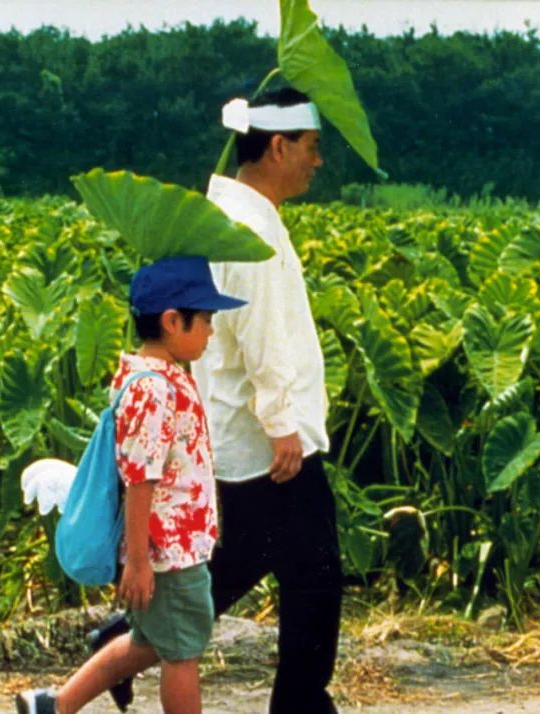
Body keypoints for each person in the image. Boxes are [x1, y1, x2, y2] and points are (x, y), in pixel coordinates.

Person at [16, 256, 246, 714]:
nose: (211, 330)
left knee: (148, 642)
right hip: (167, 554)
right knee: (182, 654)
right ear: (172, 321)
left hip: (168, 551)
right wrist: (138, 562)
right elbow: (141, 480)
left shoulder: (157, 377)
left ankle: (54, 706)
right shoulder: (153, 390)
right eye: (205, 319)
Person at [196, 87, 343, 713]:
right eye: (311, 148)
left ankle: (117, 646)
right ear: (277, 146)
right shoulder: (248, 227)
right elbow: (262, 338)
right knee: (316, 579)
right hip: (269, 446)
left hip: (250, 438)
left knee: (237, 572)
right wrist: (284, 425)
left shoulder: (238, 214)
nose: (318, 161)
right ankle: (303, 708)